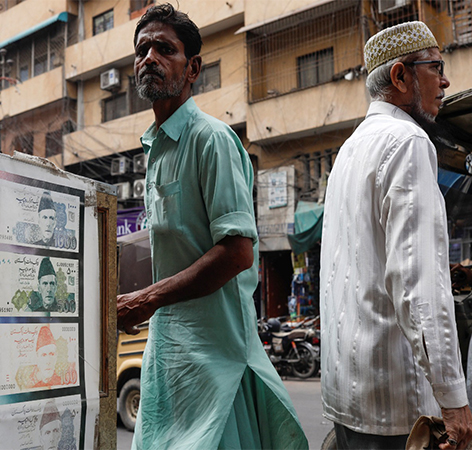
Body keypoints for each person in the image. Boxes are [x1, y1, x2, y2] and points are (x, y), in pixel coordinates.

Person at [116, 4, 307, 449]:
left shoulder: (211, 139)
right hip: (172, 355)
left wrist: (145, 299)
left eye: (165, 48)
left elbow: (238, 252)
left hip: (218, 362)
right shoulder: (156, 149)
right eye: (142, 49)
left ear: (193, 67)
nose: (150, 58)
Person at [320, 21, 472, 450]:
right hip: (395, 409)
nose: (445, 80)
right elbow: (419, 285)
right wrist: (454, 399)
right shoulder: (407, 141)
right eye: (435, 67)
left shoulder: (350, 150)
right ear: (401, 77)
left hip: (349, 397)